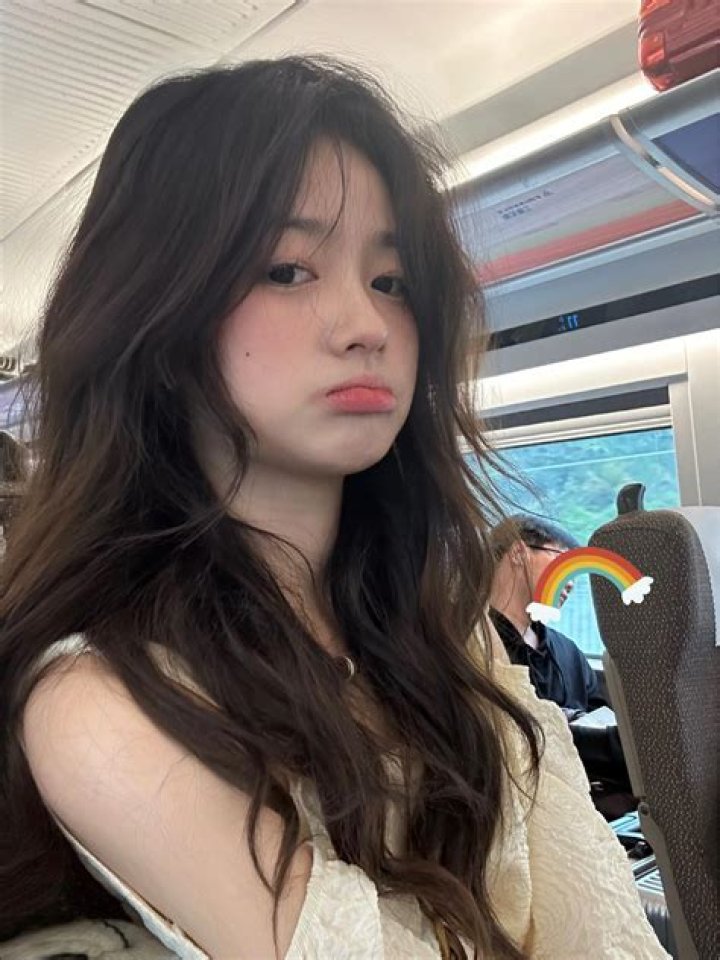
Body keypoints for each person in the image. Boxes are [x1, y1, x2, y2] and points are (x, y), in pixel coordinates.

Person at [0, 58, 668, 960]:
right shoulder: (104, 699)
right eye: (287, 269)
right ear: (156, 312)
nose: (366, 324)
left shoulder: (439, 628)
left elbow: (597, 922)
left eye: (392, 281)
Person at [489, 515, 607, 717]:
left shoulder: (570, 653)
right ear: (518, 553)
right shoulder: (469, 646)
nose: (570, 583)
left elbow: (601, 723)